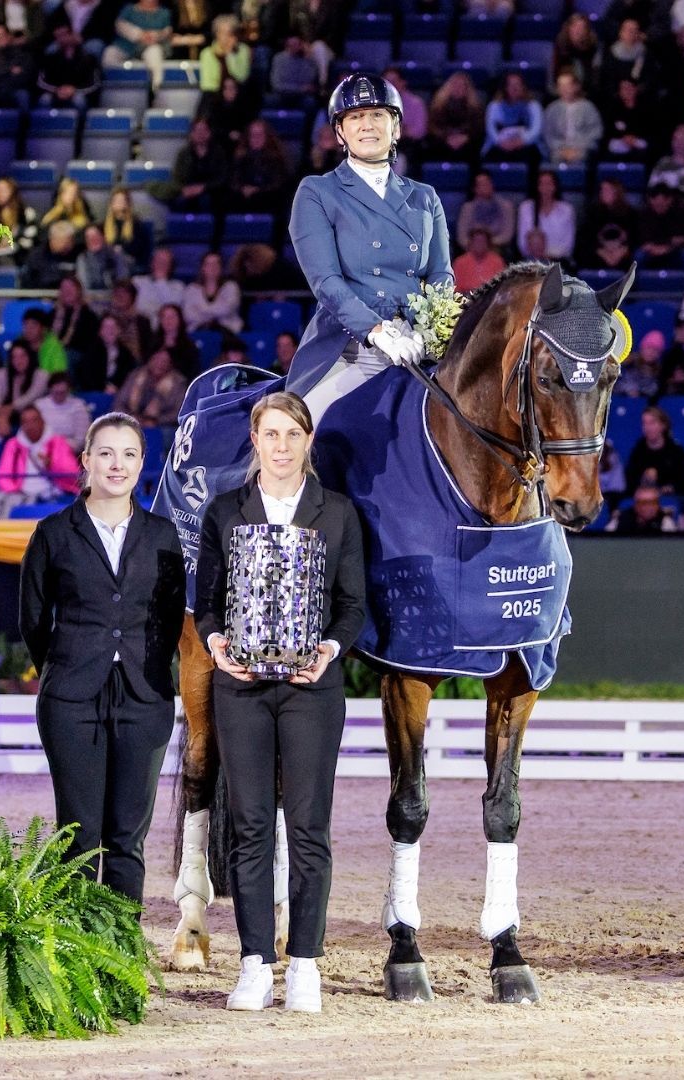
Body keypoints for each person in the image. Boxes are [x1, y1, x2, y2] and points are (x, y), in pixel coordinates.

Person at [198, 392, 366, 1012]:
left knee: (308, 827)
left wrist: (329, 649)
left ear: (308, 441)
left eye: (293, 434)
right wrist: (216, 643)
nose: (282, 446)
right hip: (240, 686)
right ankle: (254, 964)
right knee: (248, 826)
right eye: (271, 434)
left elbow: (352, 605)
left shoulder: (337, 513)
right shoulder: (225, 511)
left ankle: (305, 965)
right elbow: (207, 602)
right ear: (255, 439)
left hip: (309, 690)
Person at [19, 412, 185, 902]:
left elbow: (170, 618)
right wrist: (65, 668)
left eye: (129, 454)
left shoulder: (162, 535)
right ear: (86, 460)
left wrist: (145, 668)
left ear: (141, 463)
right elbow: (32, 620)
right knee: (78, 836)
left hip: (144, 697)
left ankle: (121, 942)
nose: (118, 464)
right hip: (71, 699)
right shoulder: (53, 533)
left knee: (127, 839)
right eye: (106, 453)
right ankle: (72, 942)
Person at [287, 73, 453, 415]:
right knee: (304, 426)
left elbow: (441, 275)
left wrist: (427, 331)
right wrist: (378, 332)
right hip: (350, 345)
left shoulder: (425, 197)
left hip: (418, 345)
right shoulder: (318, 192)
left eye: (378, 114)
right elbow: (326, 282)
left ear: (397, 128)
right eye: (356, 117)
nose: (367, 125)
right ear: (340, 132)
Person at [0, 403, 82, 516]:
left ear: (42, 421)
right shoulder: (13, 445)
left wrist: (51, 465)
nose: (30, 426)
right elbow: (3, 476)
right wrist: (15, 493)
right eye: (25, 422)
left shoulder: (58, 442)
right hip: (22, 496)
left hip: (52, 496)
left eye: (34, 420)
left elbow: (73, 475)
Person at [625, 406, 684, 494]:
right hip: (644, 497)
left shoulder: (676, 451)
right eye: (644, 423)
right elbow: (630, 482)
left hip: (670, 497)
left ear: (663, 425)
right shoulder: (638, 451)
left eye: (652, 423)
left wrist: (666, 489)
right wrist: (643, 480)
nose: (648, 428)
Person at [114, 347, 187, 426]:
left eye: (164, 361)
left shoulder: (178, 383)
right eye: (156, 359)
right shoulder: (136, 375)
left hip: (161, 426)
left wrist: (156, 421)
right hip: (131, 422)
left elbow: (177, 412)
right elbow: (119, 403)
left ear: (170, 364)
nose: (159, 364)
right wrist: (130, 418)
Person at [609, 482, 684, 533]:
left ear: (658, 506)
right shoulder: (620, 520)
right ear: (636, 506)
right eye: (644, 503)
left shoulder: (666, 521)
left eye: (652, 502)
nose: (648, 507)